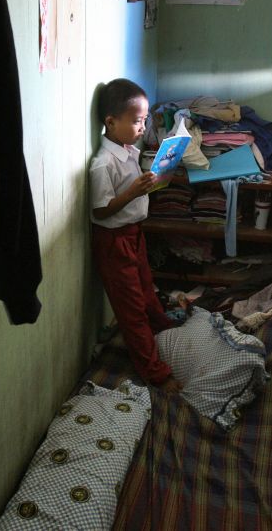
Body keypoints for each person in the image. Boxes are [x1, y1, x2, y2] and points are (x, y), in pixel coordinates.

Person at [89, 79, 182, 395]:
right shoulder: (102, 164)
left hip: (133, 235)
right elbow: (101, 211)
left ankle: (162, 330)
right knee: (130, 311)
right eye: (136, 120)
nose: (142, 127)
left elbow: (135, 191)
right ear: (111, 122)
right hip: (114, 242)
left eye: (144, 120)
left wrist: (156, 177)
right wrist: (133, 192)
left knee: (145, 289)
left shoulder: (129, 150)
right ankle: (155, 373)